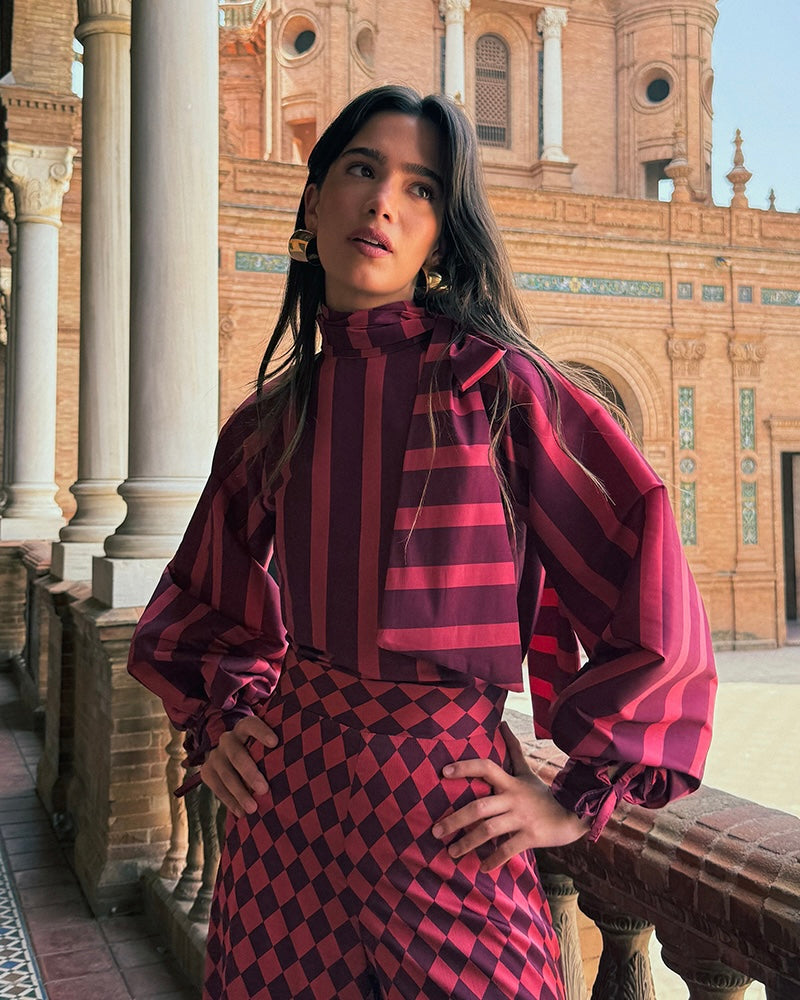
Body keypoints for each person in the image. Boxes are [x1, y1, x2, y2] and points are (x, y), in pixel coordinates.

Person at [128, 85, 716, 1000]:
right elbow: (197, 604)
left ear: (442, 236)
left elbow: (643, 558)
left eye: (421, 188)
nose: (382, 203)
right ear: (314, 200)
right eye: (362, 170)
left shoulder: (502, 390)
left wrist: (573, 799)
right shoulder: (271, 420)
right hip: (281, 827)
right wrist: (219, 723)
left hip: (447, 825)